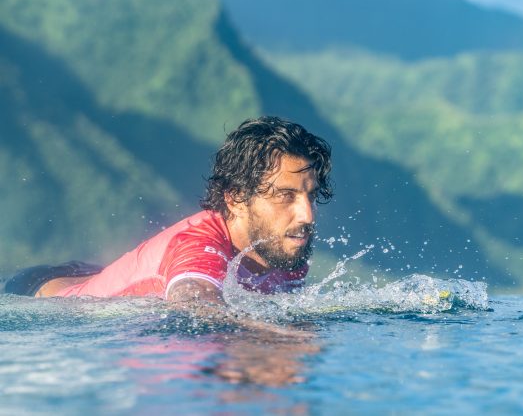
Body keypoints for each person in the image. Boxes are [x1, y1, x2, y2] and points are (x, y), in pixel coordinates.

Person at [5, 116, 333, 304]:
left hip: (101, 272)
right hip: (39, 289)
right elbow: (194, 301)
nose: (307, 216)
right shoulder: (198, 248)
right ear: (235, 198)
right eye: (285, 196)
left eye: (310, 196)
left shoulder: (282, 247)